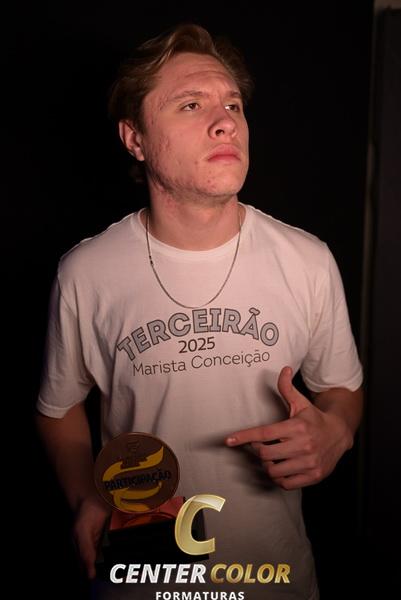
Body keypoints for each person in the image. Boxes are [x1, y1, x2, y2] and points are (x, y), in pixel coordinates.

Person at [36, 23, 363, 600]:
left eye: (232, 104)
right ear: (135, 139)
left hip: (274, 580)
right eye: (191, 104)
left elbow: (342, 388)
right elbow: (57, 409)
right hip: (146, 581)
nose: (226, 122)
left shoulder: (307, 260)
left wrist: (337, 428)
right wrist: (85, 495)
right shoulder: (86, 272)